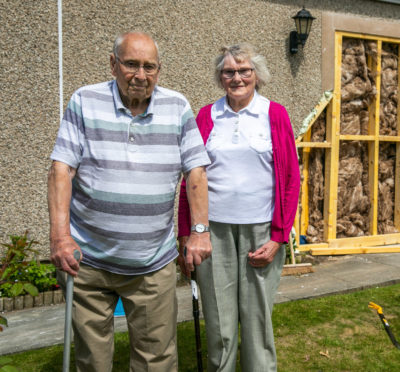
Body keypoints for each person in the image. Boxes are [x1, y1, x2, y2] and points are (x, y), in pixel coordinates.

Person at [48, 31, 212, 371]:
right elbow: (61, 170)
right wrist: (60, 237)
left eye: (149, 66)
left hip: (152, 263)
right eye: (132, 64)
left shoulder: (177, 106)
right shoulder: (84, 101)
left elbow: (195, 173)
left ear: (159, 69)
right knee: (92, 360)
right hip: (88, 260)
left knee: (157, 360)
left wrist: (199, 231)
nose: (141, 75)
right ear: (113, 64)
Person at [177, 43, 300, 372]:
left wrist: (278, 236)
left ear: (256, 75)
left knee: (257, 320)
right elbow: (191, 176)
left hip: (260, 232)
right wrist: (187, 233)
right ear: (220, 78)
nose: (237, 77)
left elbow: (290, 179)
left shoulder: (274, 114)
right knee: (219, 320)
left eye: (244, 70)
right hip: (211, 233)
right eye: (229, 72)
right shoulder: (206, 115)